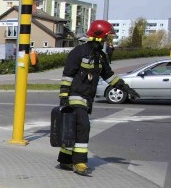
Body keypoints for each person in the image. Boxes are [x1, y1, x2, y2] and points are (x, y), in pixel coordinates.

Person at [56, 19, 139, 176]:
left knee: (72, 128)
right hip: (75, 97)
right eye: (106, 37)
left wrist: (126, 89)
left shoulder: (100, 56)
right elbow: (67, 75)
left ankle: (65, 160)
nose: (107, 40)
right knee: (83, 127)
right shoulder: (79, 52)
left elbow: (108, 75)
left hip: (87, 99)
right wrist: (64, 98)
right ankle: (79, 162)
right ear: (99, 35)